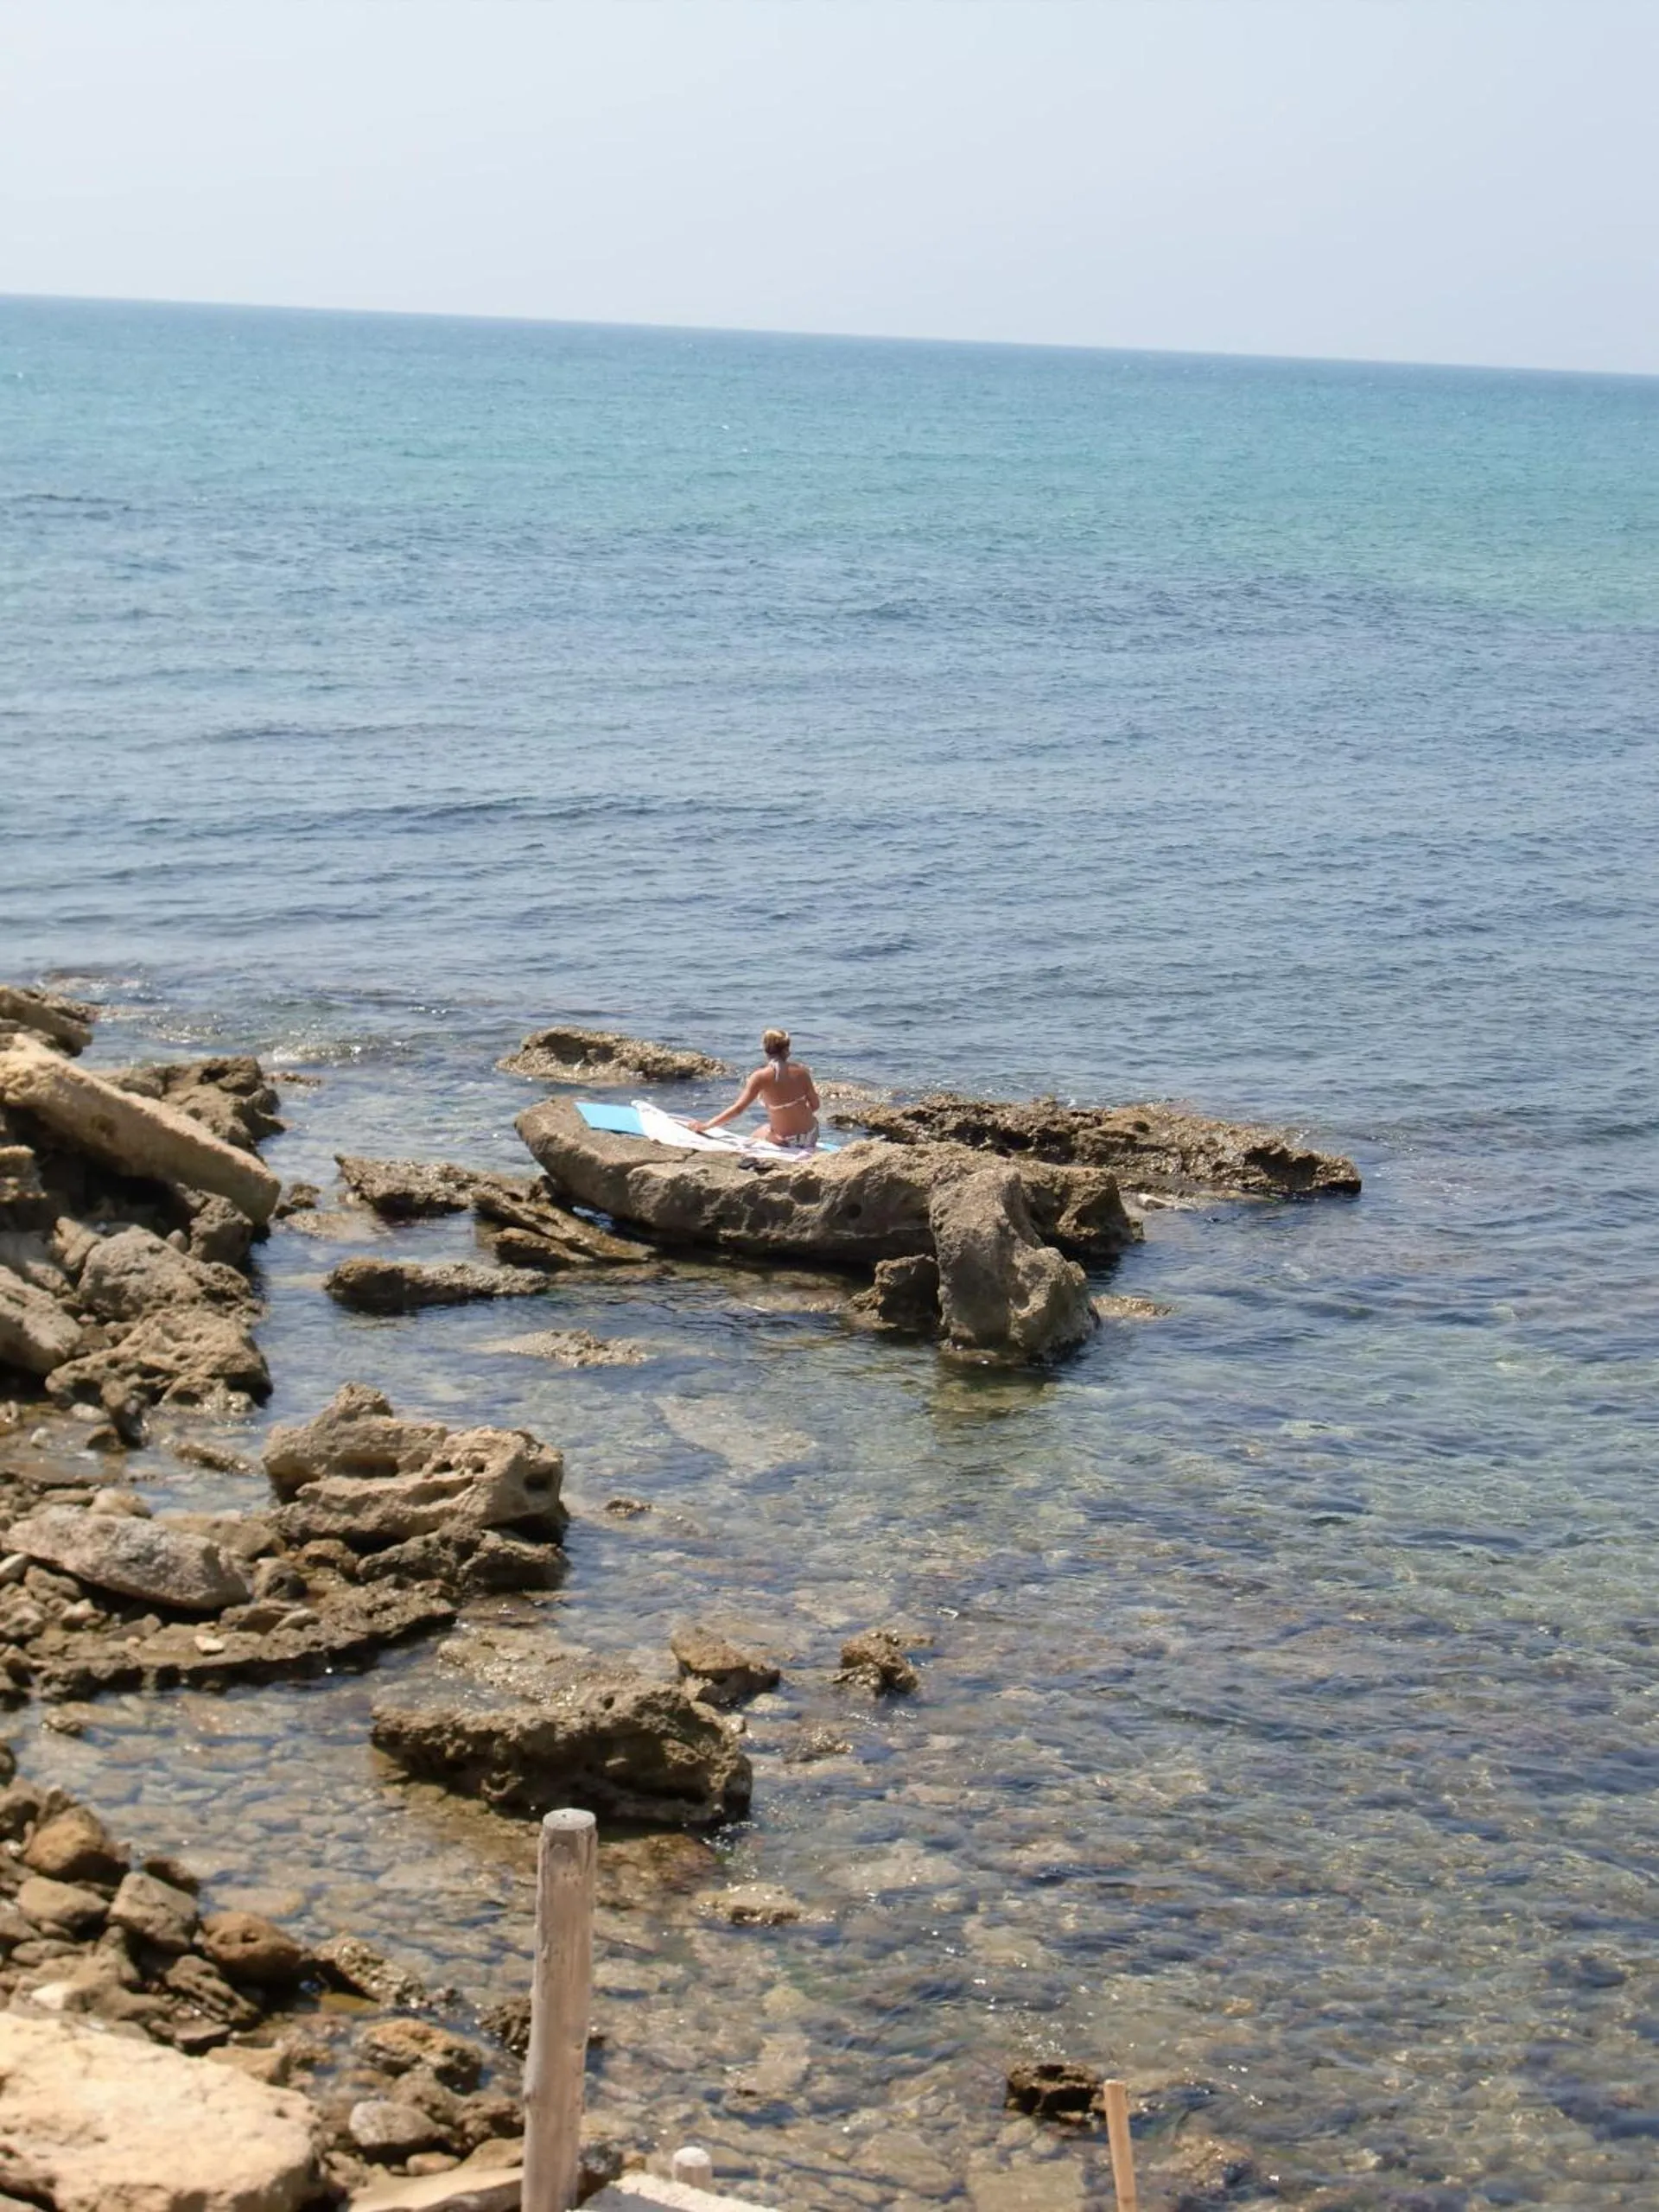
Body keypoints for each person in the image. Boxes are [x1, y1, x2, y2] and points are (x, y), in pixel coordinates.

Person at [692, 1027, 821, 1149]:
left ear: (765, 1049)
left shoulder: (761, 1076)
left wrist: (706, 1126)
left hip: (786, 1141)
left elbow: (738, 1109)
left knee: (755, 1135)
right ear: (787, 1049)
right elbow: (815, 1105)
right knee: (768, 1128)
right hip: (811, 1135)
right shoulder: (802, 1072)